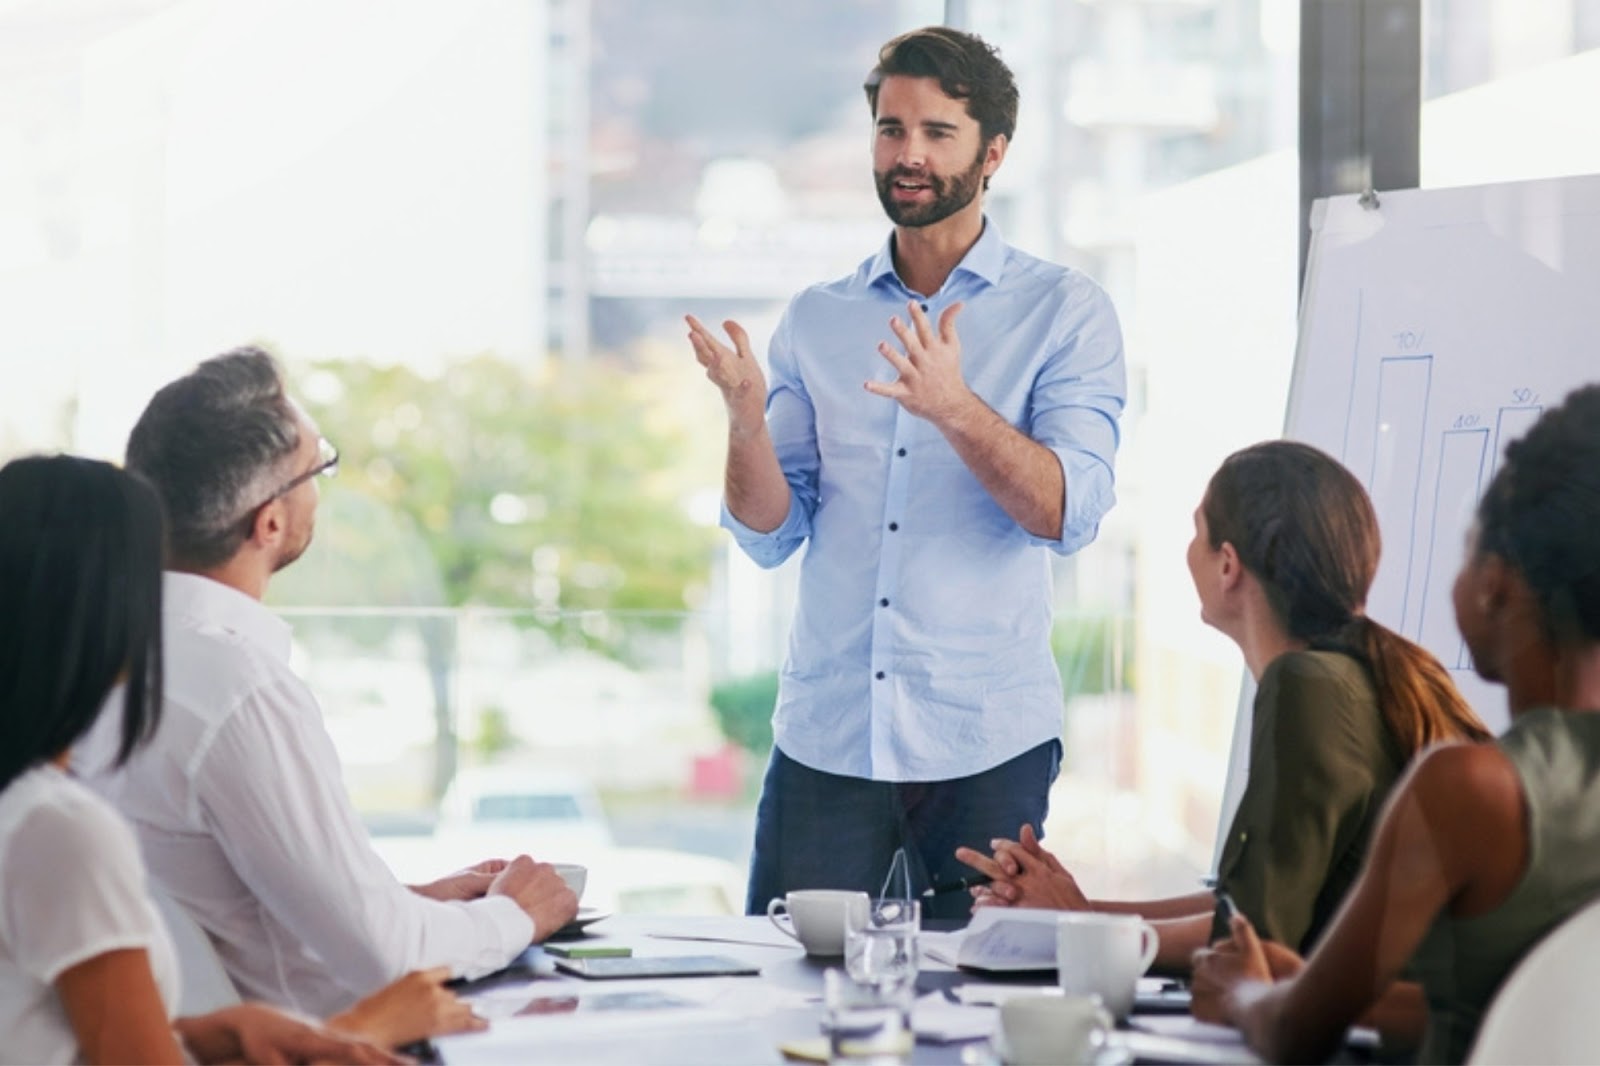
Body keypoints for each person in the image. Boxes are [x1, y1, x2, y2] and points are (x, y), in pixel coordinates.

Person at [687, 26, 1126, 917]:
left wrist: (953, 408)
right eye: (891, 130)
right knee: (791, 991)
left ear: (993, 152)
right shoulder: (817, 318)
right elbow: (771, 532)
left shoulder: (1065, 312)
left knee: (976, 995)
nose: (908, 154)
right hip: (829, 737)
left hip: (985, 742)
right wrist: (742, 419)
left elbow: (1067, 512)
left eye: (937, 132)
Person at [76, 348, 579, 1019]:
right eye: (320, 466)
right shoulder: (237, 693)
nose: (324, 485)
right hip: (317, 1043)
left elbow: (227, 906)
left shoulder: (97, 658)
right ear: (270, 521)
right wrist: (517, 916)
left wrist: (399, 900)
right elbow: (384, 958)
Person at [956, 441, 1490, 969]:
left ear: (1228, 564)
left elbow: (1251, 939)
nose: (1188, 550)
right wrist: (1077, 909)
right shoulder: (1351, 674)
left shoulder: (1306, 686)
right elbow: (1240, 905)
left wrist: (1076, 928)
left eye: (1197, 531)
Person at [1190, 384, 1600, 1064]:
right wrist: (1321, 985)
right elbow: (1510, 1004)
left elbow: (1295, 1031)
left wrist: (1243, 994)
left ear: (1493, 583)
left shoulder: (1471, 789)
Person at [0, 453, 448, 1063]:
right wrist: (361, 1029)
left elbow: (51, 1034)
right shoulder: (59, 831)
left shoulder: (25, 809)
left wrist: (218, 1031)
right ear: (107, 612)